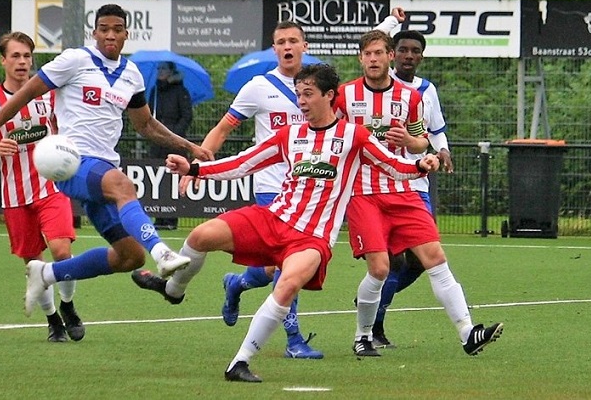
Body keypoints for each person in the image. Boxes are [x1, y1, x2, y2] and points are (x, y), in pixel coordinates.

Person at [131, 64, 439, 382]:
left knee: (287, 286)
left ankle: (239, 362)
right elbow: (243, 163)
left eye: (308, 94)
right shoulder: (290, 135)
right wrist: (194, 169)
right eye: (298, 94)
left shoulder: (354, 136)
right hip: (273, 218)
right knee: (200, 236)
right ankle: (174, 290)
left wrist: (421, 163)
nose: (301, 101)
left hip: (313, 238)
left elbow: (394, 164)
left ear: (329, 96)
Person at [0, 4, 212, 319]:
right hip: (72, 163)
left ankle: (47, 273)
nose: (110, 35)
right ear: (94, 32)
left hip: (103, 170)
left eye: (117, 29)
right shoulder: (75, 60)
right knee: (123, 186)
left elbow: (146, 125)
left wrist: (189, 146)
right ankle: (162, 252)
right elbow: (25, 94)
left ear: (126, 34)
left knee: (130, 257)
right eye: (104, 29)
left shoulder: (131, 75)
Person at [334, 30, 503, 358]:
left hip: (404, 189)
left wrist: (415, 146)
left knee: (435, 258)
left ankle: (468, 332)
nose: (373, 59)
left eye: (379, 53)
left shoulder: (410, 97)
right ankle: (363, 336)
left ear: (390, 57)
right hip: (363, 193)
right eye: (368, 54)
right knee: (380, 269)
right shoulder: (344, 96)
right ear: (360, 58)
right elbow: (330, 134)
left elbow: (420, 140)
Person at [182, 21, 323, 360]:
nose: (287, 46)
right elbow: (223, 128)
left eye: (293, 40)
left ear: (304, 46)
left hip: (307, 192)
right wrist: (199, 162)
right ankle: (293, 339)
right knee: (289, 263)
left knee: (273, 269)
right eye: (281, 42)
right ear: (274, 49)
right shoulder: (259, 87)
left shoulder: (318, 88)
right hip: (271, 188)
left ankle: (237, 283)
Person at [0, 32, 84, 342]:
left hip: (51, 188)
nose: (22, 62)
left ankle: (68, 305)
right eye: (16, 56)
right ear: (3, 61)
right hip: (15, 195)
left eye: (27, 56)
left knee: (62, 252)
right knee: (34, 263)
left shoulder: (48, 95)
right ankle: (53, 321)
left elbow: (65, 133)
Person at [370, 29, 455, 349]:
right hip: (382, 183)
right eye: (403, 49)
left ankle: (372, 300)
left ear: (421, 56)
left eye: (414, 51)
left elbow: (436, 129)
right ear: (393, 54)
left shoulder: (426, 90)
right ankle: (375, 326)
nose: (408, 55)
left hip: (417, 183)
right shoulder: (377, 87)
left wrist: (443, 150)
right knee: (392, 261)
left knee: (420, 261)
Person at [147, 61, 192, 230]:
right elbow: (148, 114)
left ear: (171, 72)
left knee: (174, 176)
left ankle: (172, 218)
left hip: (175, 142)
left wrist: (174, 135)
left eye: (163, 68)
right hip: (157, 141)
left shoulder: (181, 91)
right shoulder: (155, 91)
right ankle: (158, 216)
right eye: (158, 68)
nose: (160, 71)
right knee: (157, 177)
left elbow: (187, 116)